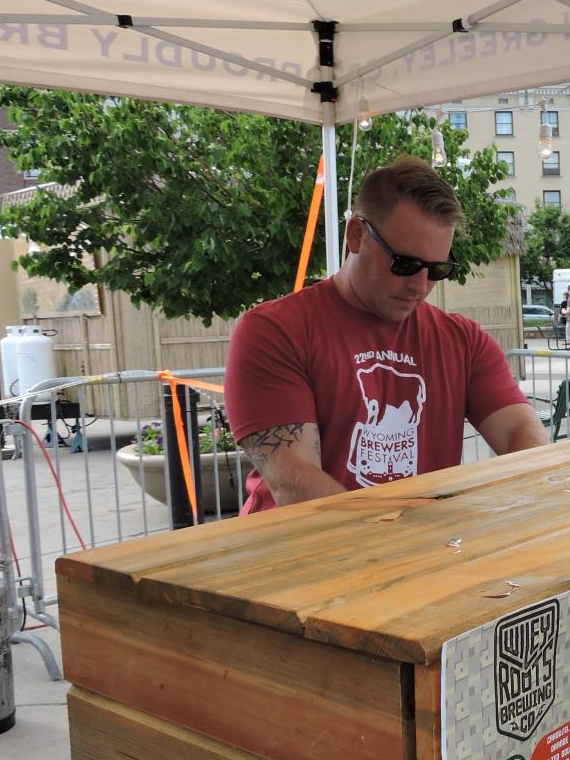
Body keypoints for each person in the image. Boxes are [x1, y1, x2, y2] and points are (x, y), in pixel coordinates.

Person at [226, 155, 548, 513]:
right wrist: (405, 538)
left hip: (415, 553)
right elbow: (295, 482)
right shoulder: (274, 331)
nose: (421, 285)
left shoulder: (464, 340)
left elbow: (520, 432)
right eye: (405, 264)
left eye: (437, 269)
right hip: (299, 556)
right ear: (356, 235)